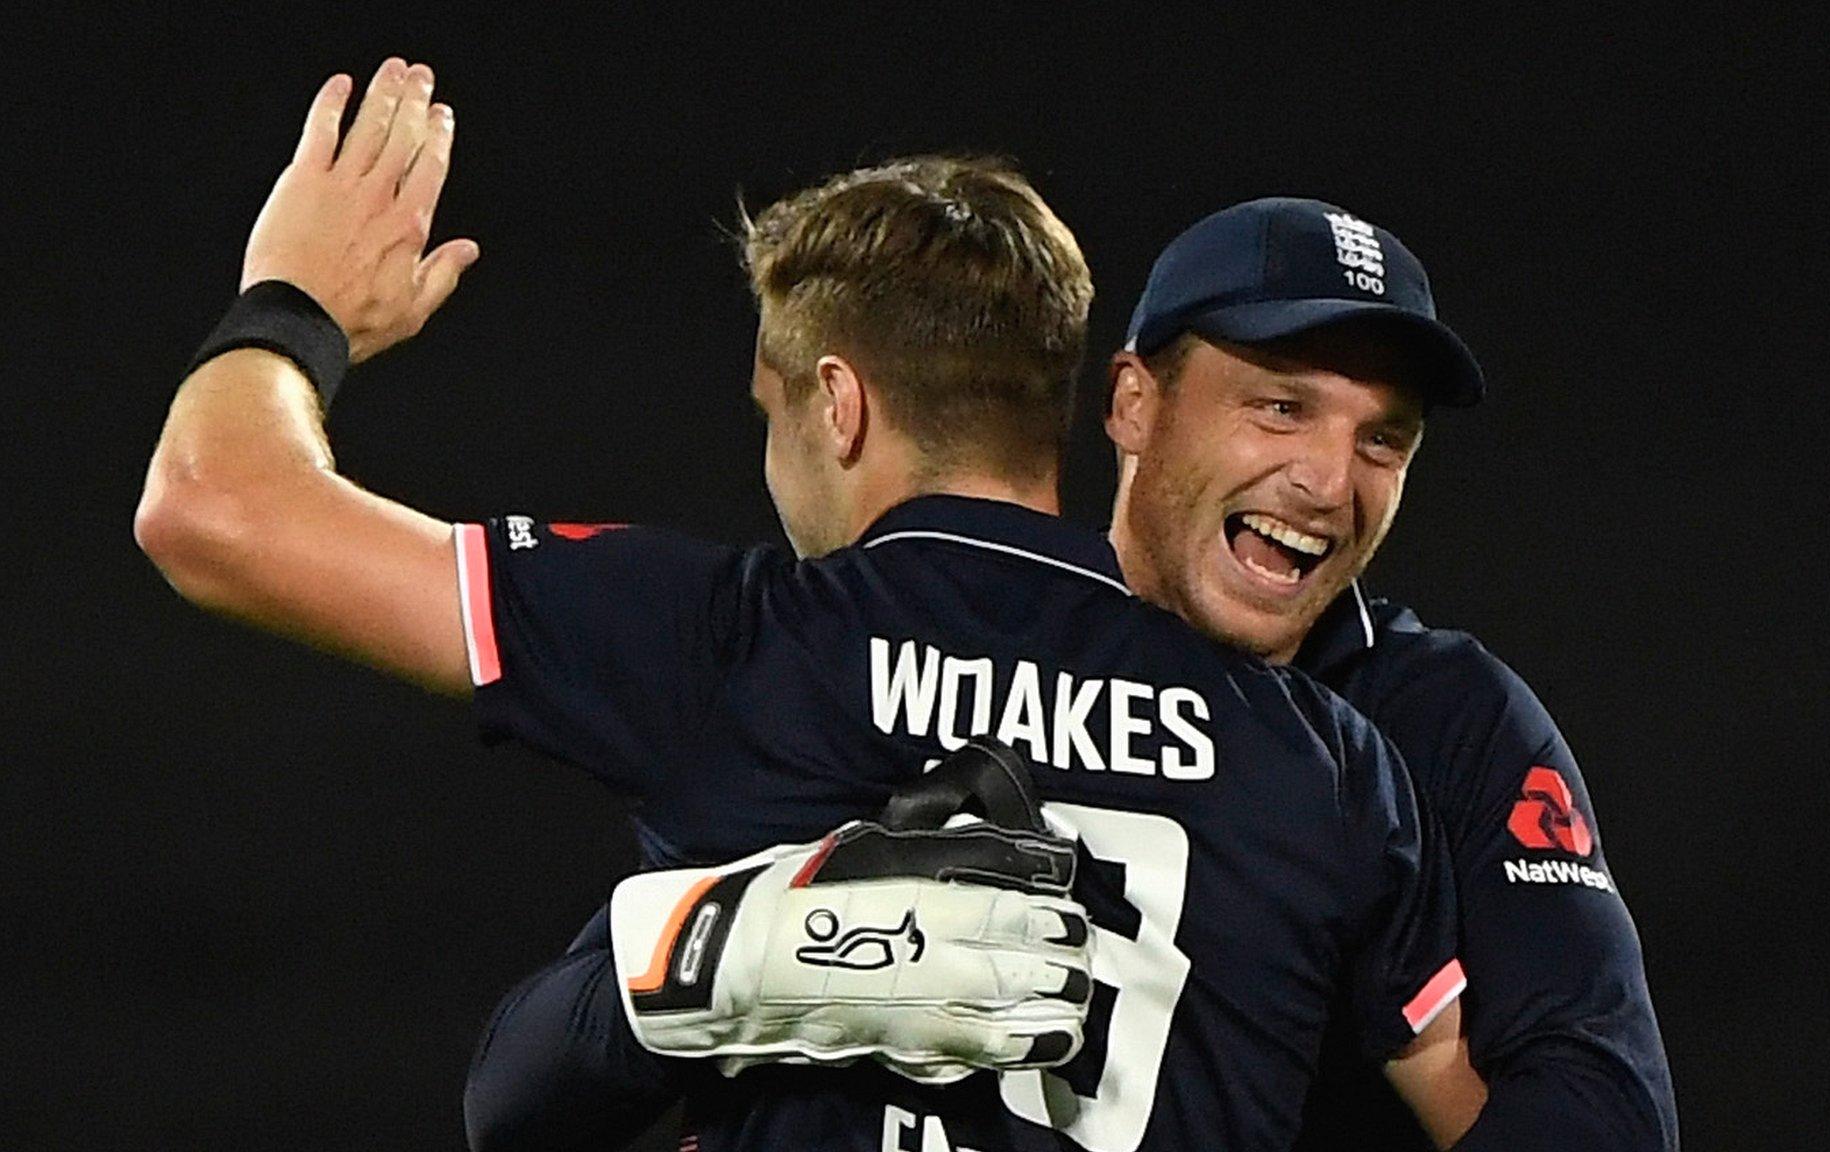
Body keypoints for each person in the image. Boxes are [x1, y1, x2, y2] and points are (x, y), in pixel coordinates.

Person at [134, 58, 1484, 1152]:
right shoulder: (1329, 760)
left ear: (836, 405)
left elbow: (214, 509)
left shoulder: (752, 642)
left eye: (772, 412)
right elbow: (1492, 1103)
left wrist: (296, 300)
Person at [1103, 197, 1680, 1150]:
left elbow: (1603, 1110)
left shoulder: (1451, 722)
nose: (1330, 485)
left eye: (1383, 438)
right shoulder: (971, 667)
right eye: (1282, 407)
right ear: (1135, 402)